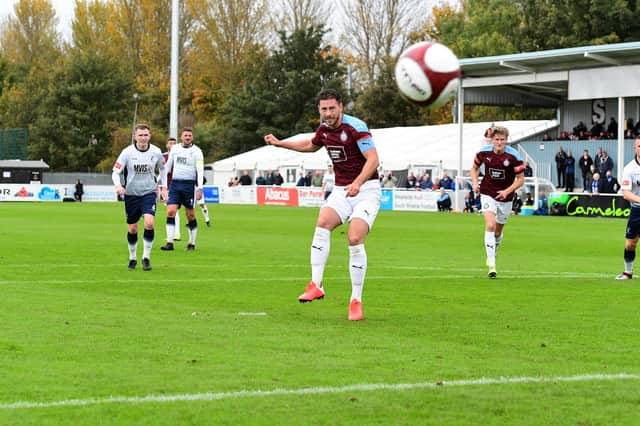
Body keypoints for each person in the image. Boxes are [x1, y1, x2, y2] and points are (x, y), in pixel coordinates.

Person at [264, 88, 380, 321]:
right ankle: (316, 285)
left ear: (341, 107)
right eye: (323, 109)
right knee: (322, 223)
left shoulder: (356, 127)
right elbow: (311, 144)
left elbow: (374, 159)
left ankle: (355, 301)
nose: (327, 113)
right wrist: (280, 144)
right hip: (341, 190)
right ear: (319, 109)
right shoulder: (324, 130)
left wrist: (358, 183)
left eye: (331, 108)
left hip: (366, 190)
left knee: (355, 238)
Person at [470, 126, 525, 279]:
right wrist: (475, 183)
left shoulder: (514, 156)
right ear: (492, 140)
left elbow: (521, 179)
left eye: (502, 139)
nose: (499, 142)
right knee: (490, 225)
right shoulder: (483, 152)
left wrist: (507, 191)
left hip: (506, 198)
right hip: (487, 193)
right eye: (497, 139)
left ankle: (492, 252)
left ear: (506, 140)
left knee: (498, 232)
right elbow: (474, 168)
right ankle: (492, 264)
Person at [111, 124, 165, 271]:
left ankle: (146, 258)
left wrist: (163, 187)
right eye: (140, 135)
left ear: (150, 136)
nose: (143, 138)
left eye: (145, 135)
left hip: (148, 192)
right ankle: (133, 257)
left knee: (149, 223)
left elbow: (163, 168)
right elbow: (115, 172)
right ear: (135, 136)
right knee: (133, 229)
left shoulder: (156, 152)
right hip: (131, 194)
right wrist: (118, 186)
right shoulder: (127, 153)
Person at [161, 127, 204, 251]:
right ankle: (169, 242)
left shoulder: (197, 151)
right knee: (170, 211)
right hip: (175, 184)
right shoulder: (175, 149)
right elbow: (167, 167)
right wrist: (163, 183)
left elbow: (200, 171)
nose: (187, 137)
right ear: (181, 137)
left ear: (192, 137)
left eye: (190, 135)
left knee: (190, 214)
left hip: (189, 185)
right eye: (185, 135)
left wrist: (200, 188)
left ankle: (192, 243)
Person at [616, 137, 640, 280]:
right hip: (637, 210)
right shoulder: (629, 168)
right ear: (635, 148)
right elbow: (626, 193)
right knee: (630, 244)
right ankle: (627, 272)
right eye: (639, 146)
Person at [163, 137, 181, 241]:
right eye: (170, 143)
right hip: (167, 187)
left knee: (173, 211)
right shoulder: (163, 157)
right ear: (167, 145)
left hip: (177, 186)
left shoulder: (179, 156)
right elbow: (162, 172)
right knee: (171, 211)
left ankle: (176, 234)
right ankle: (174, 234)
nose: (172, 145)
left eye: (174, 143)